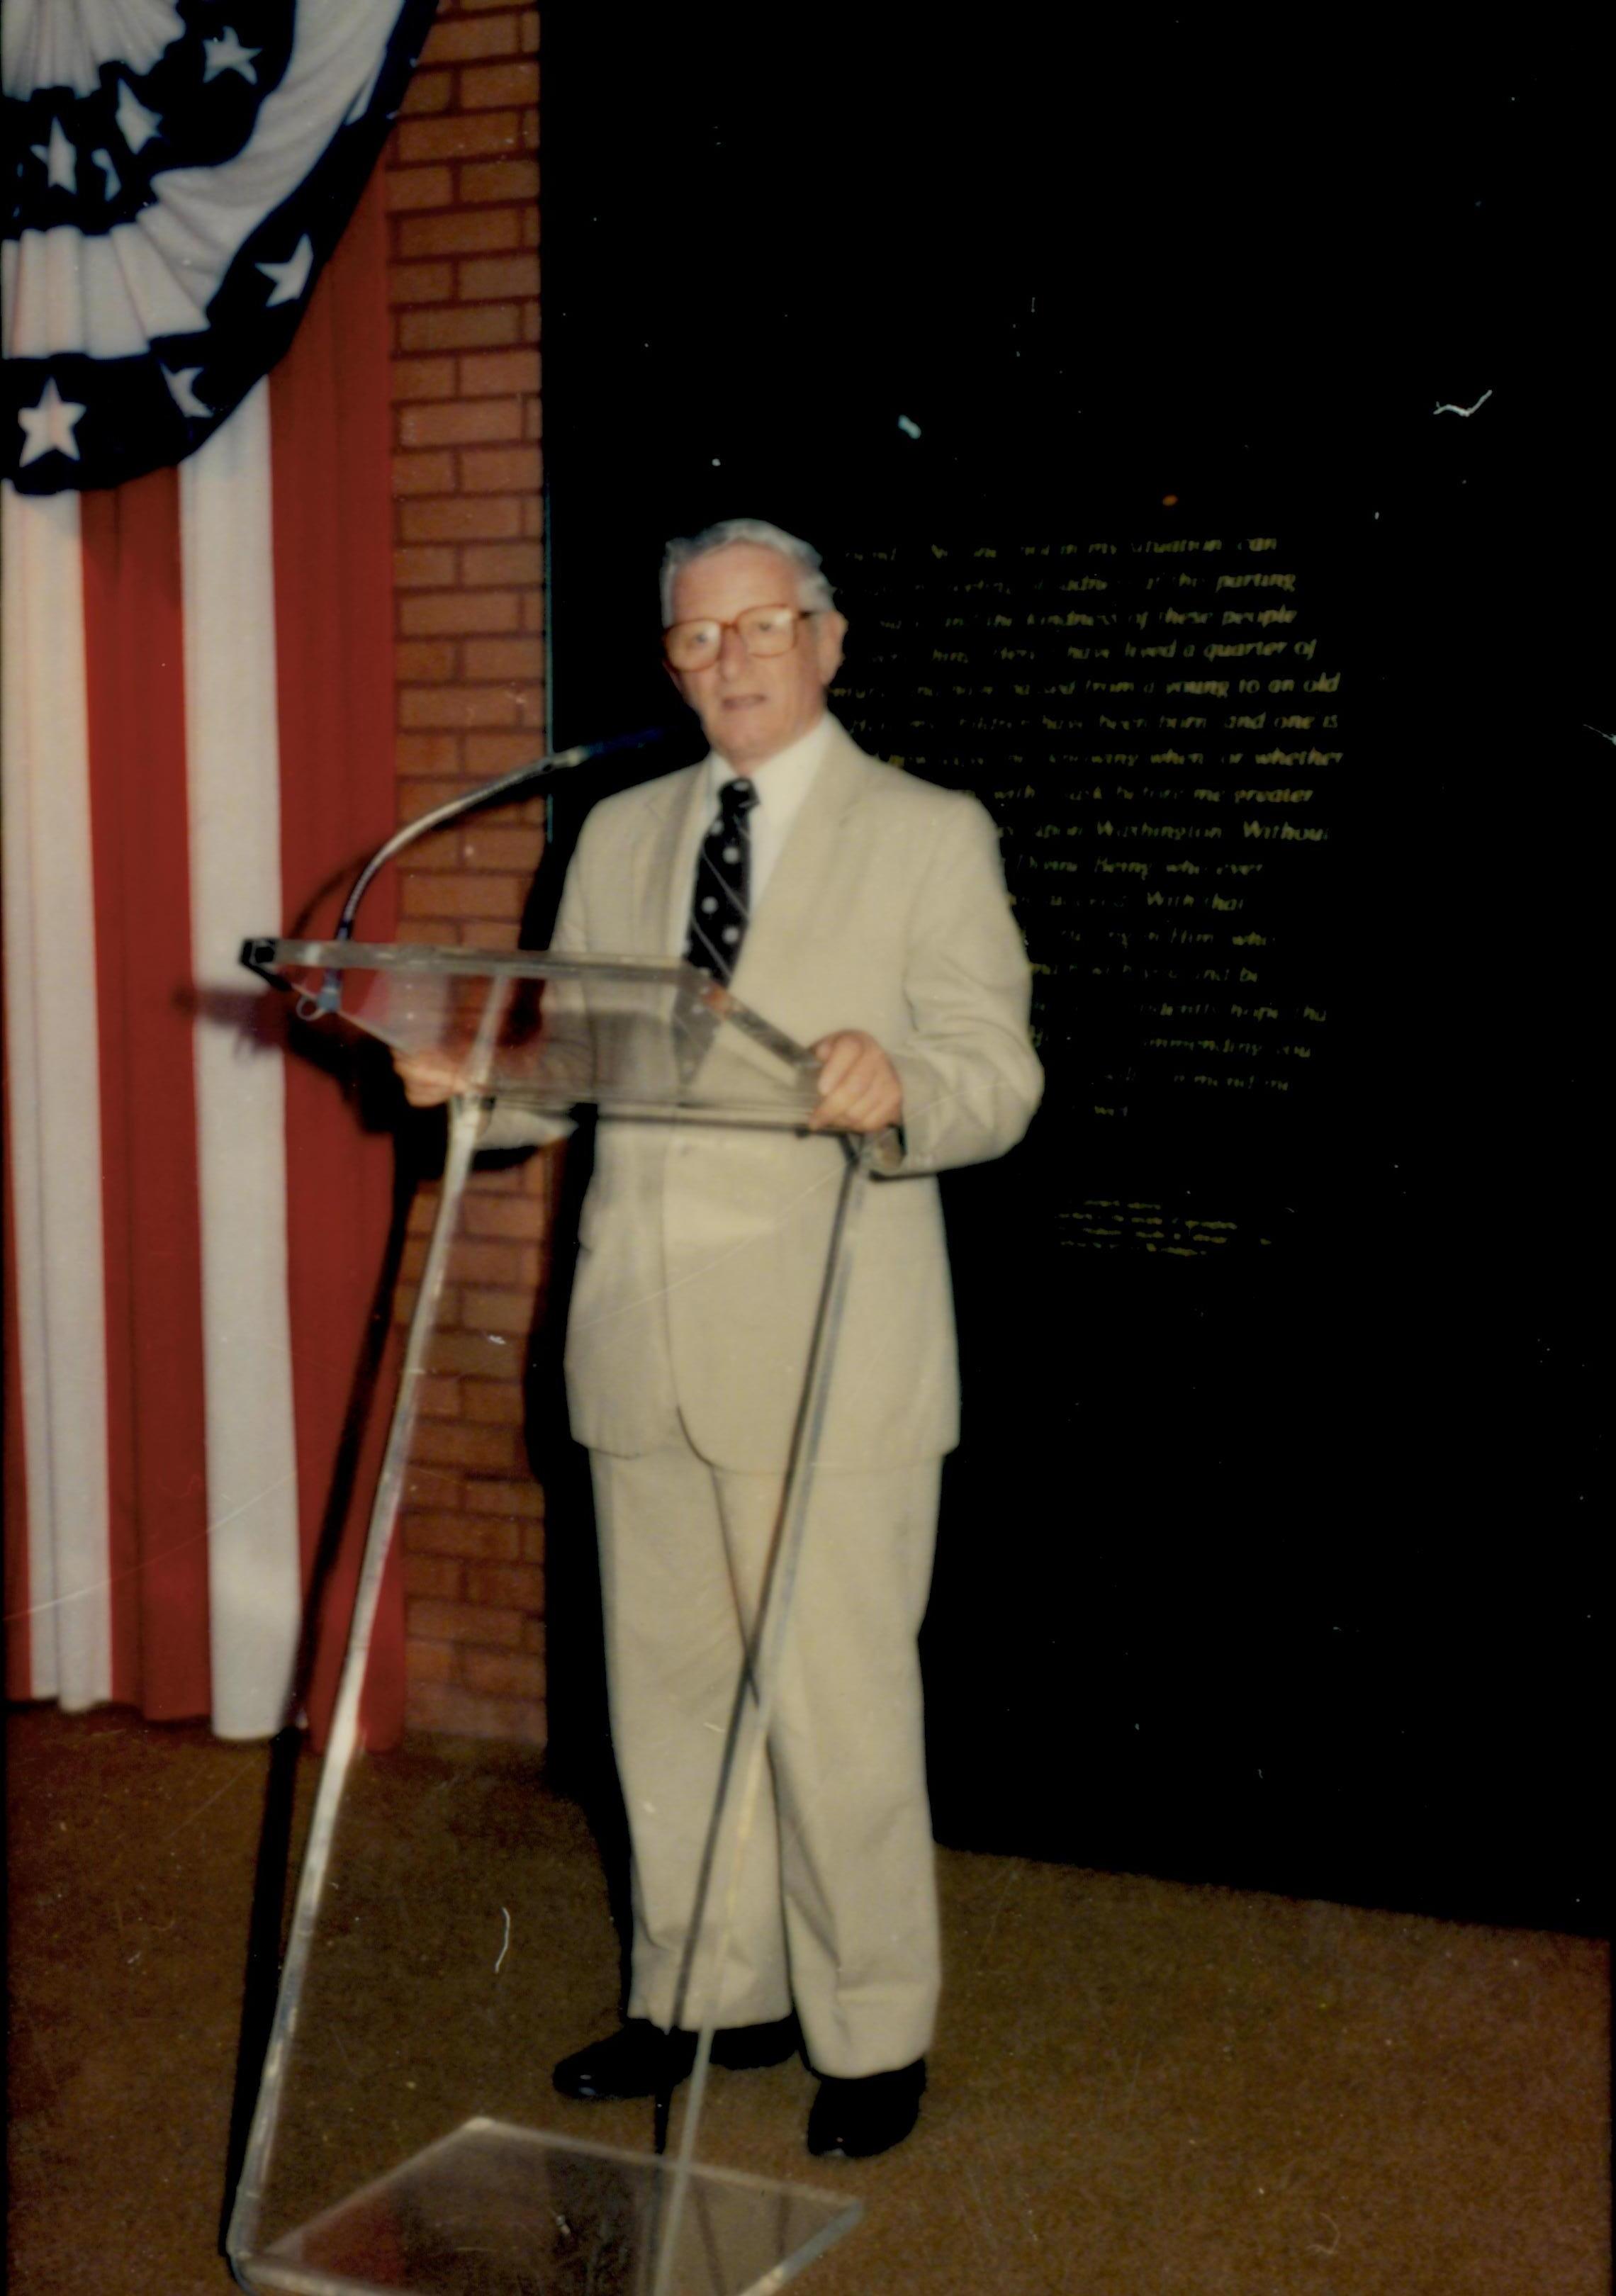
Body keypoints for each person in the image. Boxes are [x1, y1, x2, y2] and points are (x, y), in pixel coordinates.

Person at [401, 518, 1042, 2158]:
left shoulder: (926, 832)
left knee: (836, 1706)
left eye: (764, 628)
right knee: (668, 1700)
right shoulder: (619, 832)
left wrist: (907, 1091)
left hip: (832, 1351)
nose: (733, 660)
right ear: (672, 664)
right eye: (699, 639)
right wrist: (482, 1079)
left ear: (831, 640)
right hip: (641, 1340)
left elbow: (998, 1074)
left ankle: (871, 2028)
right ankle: (706, 1997)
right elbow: (578, 1060)